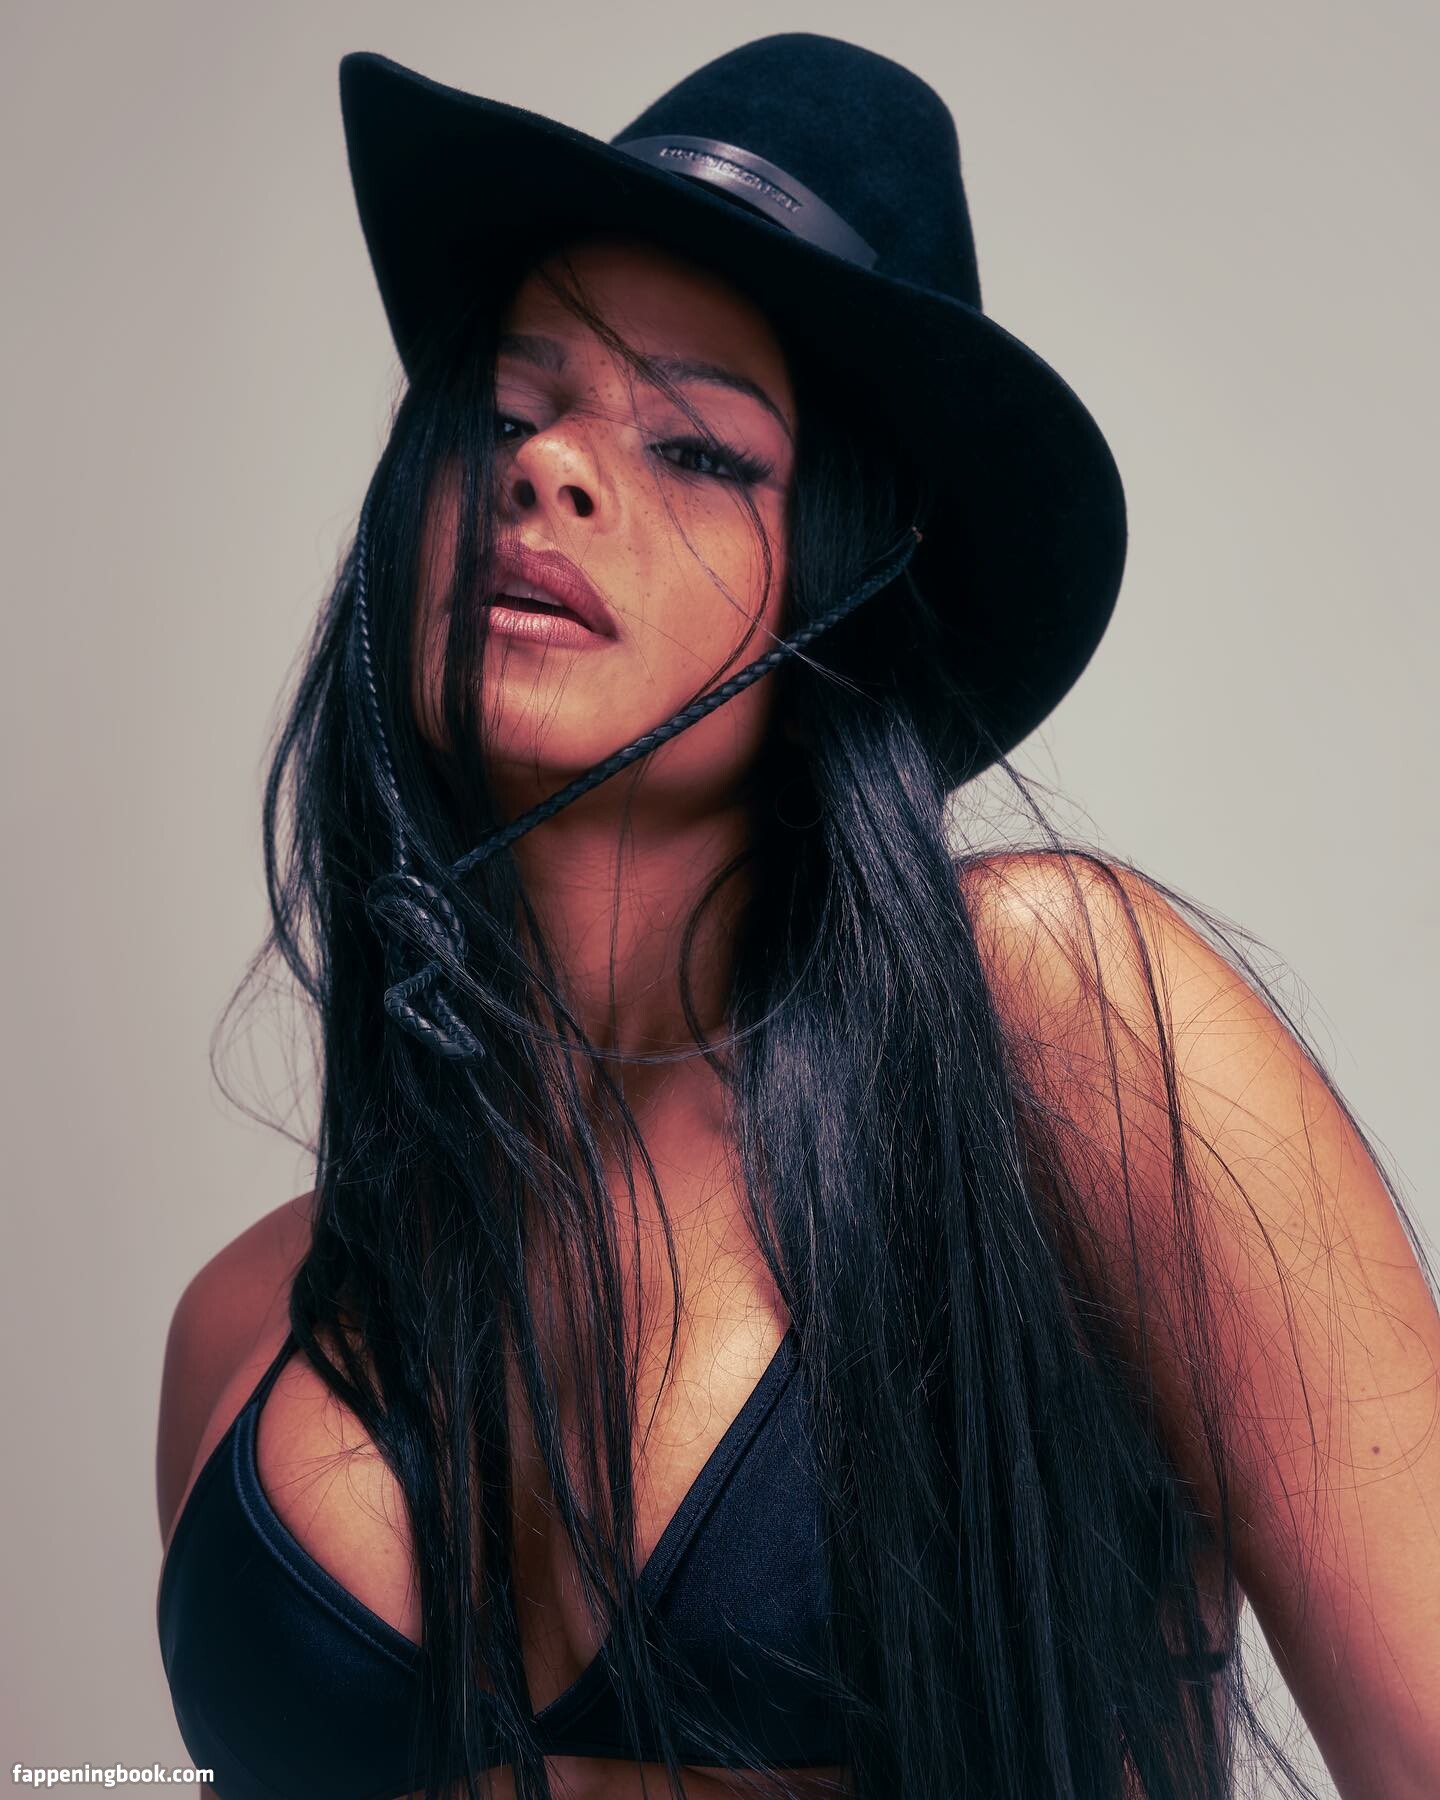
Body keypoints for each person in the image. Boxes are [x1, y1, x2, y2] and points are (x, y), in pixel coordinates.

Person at [153, 32, 1440, 1800]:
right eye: (508, 415)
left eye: (699, 448)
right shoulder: (242, 1336)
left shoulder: (1053, 1033)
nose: (553, 472)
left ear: (846, 589)